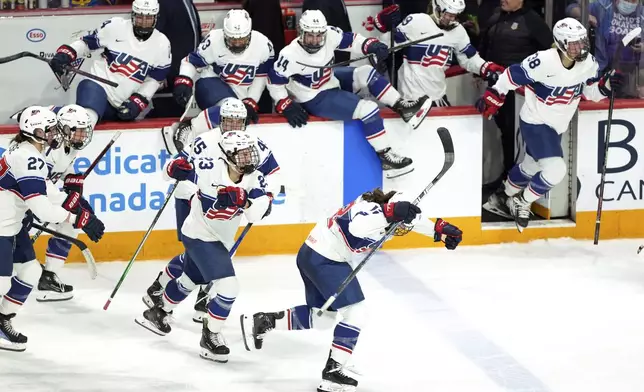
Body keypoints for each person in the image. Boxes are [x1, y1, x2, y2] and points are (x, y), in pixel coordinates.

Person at [240, 188, 463, 392]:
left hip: (314, 253)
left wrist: (439, 230)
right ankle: (333, 373)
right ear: (390, 209)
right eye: (398, 221)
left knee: (323, 319)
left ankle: (262, 321)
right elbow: (358, 226)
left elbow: (409, 218)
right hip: (325, 259)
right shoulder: (368, 209)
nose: (402, 229)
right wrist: (391, 212)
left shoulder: (390, 213)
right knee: (356, 312)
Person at [136, 130, 273, 363]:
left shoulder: (254, 177)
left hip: (221, 240)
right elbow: (171, 172)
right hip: (199, 235)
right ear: (228, 156)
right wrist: (173, 169)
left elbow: (259, 211)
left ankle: (158, 312)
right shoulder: (208, 168)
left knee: (190, 279)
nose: (249, 159)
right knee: (229, 287)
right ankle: (211, 335)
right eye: (242, 155)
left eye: (251, 153)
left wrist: (246, 201)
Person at [477, 18, 623, 231]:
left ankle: (502, 195)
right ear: (561, 43)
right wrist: (496, 92)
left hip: (557, 126)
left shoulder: (588, 63)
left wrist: (606, 86)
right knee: (555, 170)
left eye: (582, 42)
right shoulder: (543, 61)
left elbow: (589, 92)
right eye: (573, 43)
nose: (579, 47)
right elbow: (512, 74)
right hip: (536, 122)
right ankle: (522, 201)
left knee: (531, 166)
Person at [148, 98, 281, 323]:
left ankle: (172, 302)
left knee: (199, 264)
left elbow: (273, 175)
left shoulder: (251, 147)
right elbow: (174, 171)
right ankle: (165, 288)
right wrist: (194, 194)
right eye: (228, 122)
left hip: (225, 214)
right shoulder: (204, 144)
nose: (232, 127)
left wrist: (263, 198)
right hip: (195, 203)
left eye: (237, 122)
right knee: (201, 256)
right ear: (220, 121)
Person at [267, 10, 432, 180]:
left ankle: (403, 108)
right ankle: (386, 156)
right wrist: (284, 103)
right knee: (368, 109)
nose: (315, 40)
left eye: (319, 35)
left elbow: (352, 41)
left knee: (367, 72)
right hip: (314, 96)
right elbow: (274, 82)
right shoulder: (290, 55)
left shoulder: (329, 34)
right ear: (301, 32)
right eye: (310, 36)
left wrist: (371, 45)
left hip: (329, 81)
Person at [0, 107, 104, 352]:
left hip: (11, 226)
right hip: (2, 227)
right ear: (36, 132)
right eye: (50, 129)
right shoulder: (29, 157)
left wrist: (80, 212)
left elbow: (50, 190)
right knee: (2, 284)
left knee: (30, 273)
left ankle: (2, 319)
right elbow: (44, 210)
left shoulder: (28, 152)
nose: (55, 133)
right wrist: (77, 218)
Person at [49, 0, 171, 128]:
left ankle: (53, 113)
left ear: (156, 18)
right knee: (86, 121)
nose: (144, 22)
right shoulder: (115, 26)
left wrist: (138, 101)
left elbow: (154, 79)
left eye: (149, 18)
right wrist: (66, 53)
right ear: (133, 15)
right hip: (97, 86)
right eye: (140, 17)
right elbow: (86, 43)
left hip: (124, 102)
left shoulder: (162, 44)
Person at [478, 0, 554, 187]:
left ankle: (516, 181)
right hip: (497, 86)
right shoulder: (496, 16)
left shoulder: (533, 20)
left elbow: (551, 52)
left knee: (515, 134)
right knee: (504, 131)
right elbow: (485, 45)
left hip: (519, 92)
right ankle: (506, 175)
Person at [373, 1, 505, 106]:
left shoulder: (458, 31)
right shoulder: (416, 21)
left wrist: (484, 67)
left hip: (438, 98)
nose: (451, 19)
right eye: (448, 14)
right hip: (410, 100)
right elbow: (386, 49)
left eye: (455, 15)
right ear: (436, 7)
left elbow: (469, 59)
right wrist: (385, 29)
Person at [173, 9, 274, 124]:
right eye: (232, 40)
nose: (237, 44)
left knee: (235, 116)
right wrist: (184, 79)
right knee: (230, 108)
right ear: (224, 34)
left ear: (250, 33)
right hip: (213, 86)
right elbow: (191, 62)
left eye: (241, 39)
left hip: (242, 96)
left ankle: (195, 125)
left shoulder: (264, 45)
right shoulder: (214, 40)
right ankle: (192, 128)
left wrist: (251, 101)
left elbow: (261, 77)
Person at [567, 0, 644, 98]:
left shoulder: (641, 12)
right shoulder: (603, 6)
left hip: (632, 74)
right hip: (603, 70)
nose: (630, 3)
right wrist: (586, 15)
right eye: (627, 0)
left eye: (634, 1)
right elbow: (571, 9)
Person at [149, 0, 202, 118]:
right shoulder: (164, 3)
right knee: (166, 116)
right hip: (169, 75)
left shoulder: (186, 1)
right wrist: (160, 71)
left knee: (178, 115)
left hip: (184, 73)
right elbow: (153, 38)